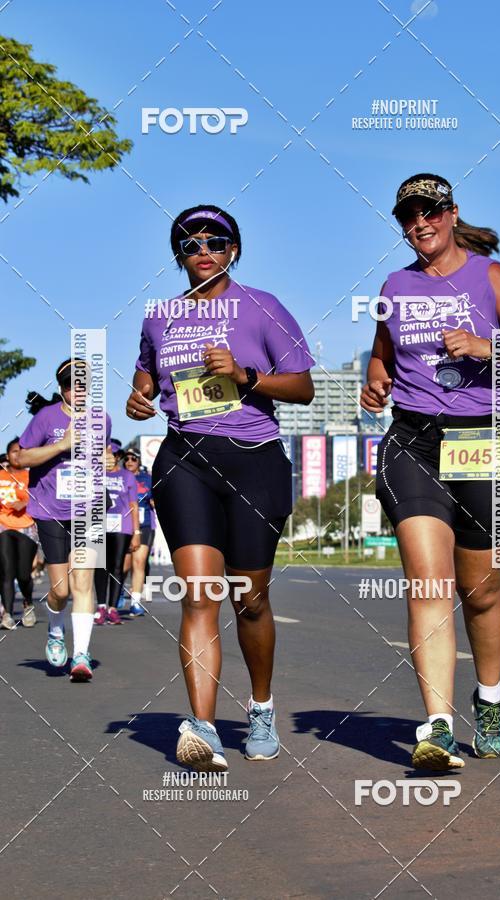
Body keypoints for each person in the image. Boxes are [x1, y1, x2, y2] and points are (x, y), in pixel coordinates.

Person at [361, 174, 500, 770]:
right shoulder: (396, 285)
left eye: (429, 212)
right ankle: (438, 724)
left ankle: (489, 699)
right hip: (412, 441)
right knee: (428, 580)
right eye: (408, 216)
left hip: (479, 440)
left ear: (451, 214)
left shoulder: (488, 275)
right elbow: (382, 350)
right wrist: (376, 378)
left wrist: (484, 346)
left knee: (481, 589)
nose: (419, 224)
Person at [126, 205, 314, 771]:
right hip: (185, 460)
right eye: (189, 243)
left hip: (254, 460)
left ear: (234, 249)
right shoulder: (160, 317)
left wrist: (244, 376)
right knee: (200, 593)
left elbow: (302, 387)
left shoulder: (263, 307)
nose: (202, 250)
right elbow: (146, 377)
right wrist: (137, 400)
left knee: (249, 599)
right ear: (177, 255)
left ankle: (260, 708)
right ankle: (203, 727)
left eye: (215, 241)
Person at [18, 359, 112, 681]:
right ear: (62, 389)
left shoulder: (102, 420)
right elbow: (21, 456)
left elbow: (101, 458)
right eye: (72, 385)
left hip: (86, 510)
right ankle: (56, 630)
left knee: (82, 582)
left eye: (84, 384)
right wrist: (61, 445)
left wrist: (107, 458)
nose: (79, 390)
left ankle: (82, 655)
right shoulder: (46, 418)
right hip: (50, 510)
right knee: (60, 590)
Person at [94, 444, 140, 625]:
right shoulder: (95, 474)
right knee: (100, 565)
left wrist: (136, 532)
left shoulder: (127, 475)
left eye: (111, 454)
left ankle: (113, 608)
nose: (108, 457)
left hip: (122, 524)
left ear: (117, 456)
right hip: (99, 524)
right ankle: (100, 606)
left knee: (117, 566)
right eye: (104, 454)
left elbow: (133, 504)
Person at [0, 438, 39, 629]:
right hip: (3, 526)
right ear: (7, 456)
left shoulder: (33, 477)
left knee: (23, 574)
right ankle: (6, 614)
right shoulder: (0, 476)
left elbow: (43, 502)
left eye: (20, 451)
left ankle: (28, 603)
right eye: (13, 451)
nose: (17, 455)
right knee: (7, 571)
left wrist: (26, 503)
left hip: (27, 527)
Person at [121, 447, 154, 616]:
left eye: (133, 459)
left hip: (145, 525)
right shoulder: (119, 477)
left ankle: (135, 601)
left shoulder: (147, 479)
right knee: (124, 565)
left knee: (139, 562)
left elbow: (155, 501)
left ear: (139, 461)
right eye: (126, 459)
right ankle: (118, 590)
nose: (129, 462)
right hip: (124, 526)